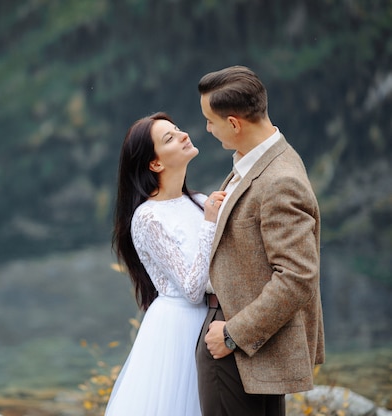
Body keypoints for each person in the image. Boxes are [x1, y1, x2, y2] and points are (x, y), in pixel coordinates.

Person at [195, 65, 325, 416]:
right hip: (251, 347)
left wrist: (232, 334)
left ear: (234, 123)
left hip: (240, 343)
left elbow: (297, 277)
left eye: (210, 120)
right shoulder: (257, 159)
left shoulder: (280, 179)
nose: (207, 128)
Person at [105, 112, 226, 415]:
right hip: (179, 329)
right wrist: (211, 222)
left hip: (212, 321)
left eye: (178, 129)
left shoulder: (198, 201)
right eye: (169, 138)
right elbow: (192, 289)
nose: (184, 134)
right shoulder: (148, 217)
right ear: (155, 163)